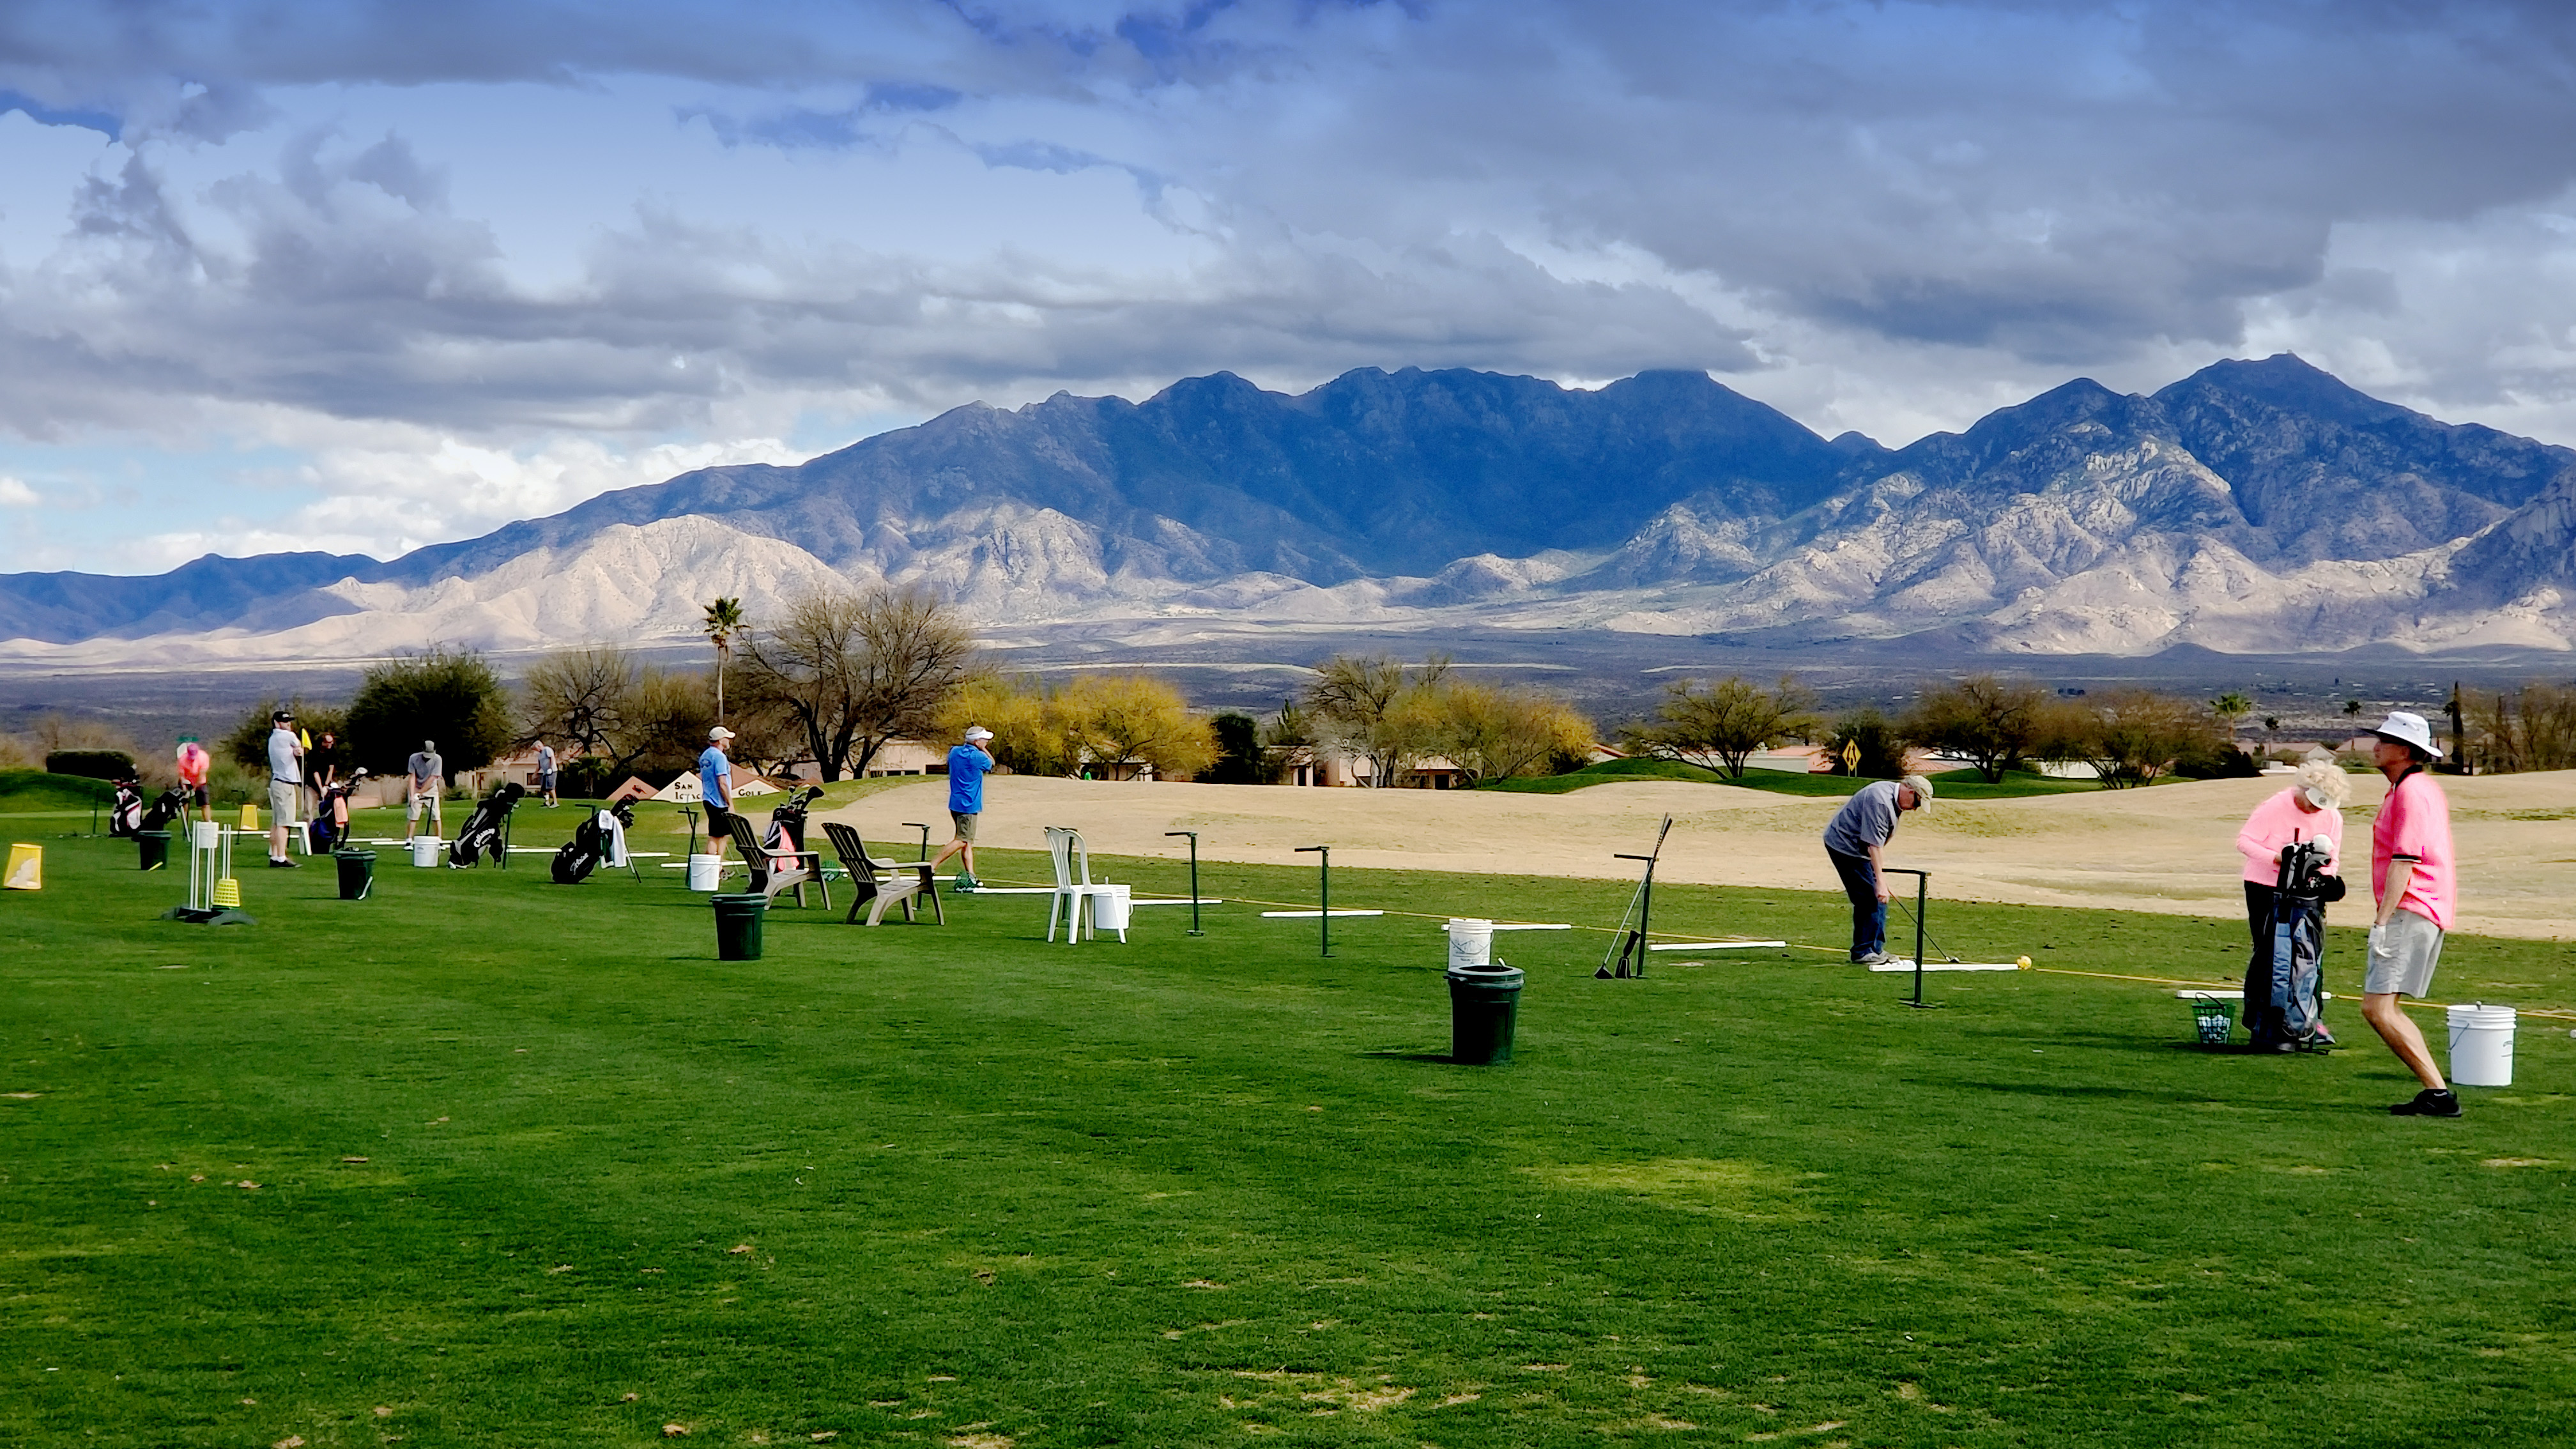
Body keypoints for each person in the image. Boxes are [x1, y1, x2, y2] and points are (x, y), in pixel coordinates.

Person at [2362, 711, 2461, 1117]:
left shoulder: (2411, 792)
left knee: (2378, 1008)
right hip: (2419, 905)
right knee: (2385, 1006)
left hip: (2412, 904)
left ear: (2405, 751)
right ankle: (2436, 1092)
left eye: (2385, 740)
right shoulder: (2411, 788)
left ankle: (2438, 1093)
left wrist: (2382, 921)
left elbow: (2405, 858)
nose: (2376, 745)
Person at [2235, 759, 2348, 1049]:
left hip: (2305, 894)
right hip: (2264, 887)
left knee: (2308, 955)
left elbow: (2331, 857)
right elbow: (2245, 842)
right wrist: (2280, 859)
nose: (2315, 810)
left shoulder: (2332, 816)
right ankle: (2266, 1019)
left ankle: (2308, 1019)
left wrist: (2325, 878)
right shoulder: (2276, 805)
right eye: (2312, 802)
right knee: (2269, 953)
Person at [1820, 773, 1935, 964]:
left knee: (1878, 897)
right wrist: (1881, 882)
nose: (1915, 809)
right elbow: (1874, 845)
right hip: (1844, 846)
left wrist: (1879, 881)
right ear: (1910, 791)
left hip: (1861, 851)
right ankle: (1863, 951)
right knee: (1870, 897)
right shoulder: (1880, 800)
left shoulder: (1894, 800)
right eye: (1917, 802)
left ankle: (1875, 949)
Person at [928, 725, 997, 891]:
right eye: (984, 739)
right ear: (977, 741)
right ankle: (931, 866)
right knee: (962, 839)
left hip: (956, 803)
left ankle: (971, 876)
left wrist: (977, 745)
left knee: (967, 842)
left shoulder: (955, 752)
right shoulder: (978, 757)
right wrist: (984, 749)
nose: (986, 741)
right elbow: (992, 764)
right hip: (969, 804)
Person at [264, 709, 303, 867]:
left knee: (276, 822)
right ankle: (281, 857)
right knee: (284, 823)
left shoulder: (273, 738)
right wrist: (297, 751)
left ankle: (275, 855)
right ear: (276, 723)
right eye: (285, 721)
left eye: (289, 721)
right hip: (285, 784)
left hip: (277, 782)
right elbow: (299, 746)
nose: (288, 724)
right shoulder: (287, 735)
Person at [699, 726, 736, 859]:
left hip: (708, 798)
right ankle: (714, 866)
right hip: (718, 802)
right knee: (716, 836)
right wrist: (729, 802)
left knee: (720, 834)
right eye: (727, 738)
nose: (729, 741)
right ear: (721, 740)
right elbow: (722, 782)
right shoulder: (719, 757)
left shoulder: (705, 756)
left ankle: (718, 866)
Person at [406, 739, 445, 839]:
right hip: (416, 788)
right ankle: (409, 839)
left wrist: (420, 793)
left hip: (431, 789)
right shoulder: (414, 758)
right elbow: (412, 777)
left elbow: (432, 778)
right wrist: (412, 794)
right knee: (413, 815)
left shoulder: (438, 759)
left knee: (435, 815)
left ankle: (438, 839)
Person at [174, 734, 213, 827]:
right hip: (186, 782)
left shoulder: (203, 757)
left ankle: (207, 822)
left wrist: (195, 789)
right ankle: (184, 824)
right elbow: (181, 776)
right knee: (185, 802)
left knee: (204, 803)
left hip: (200, 782)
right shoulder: (183, 759)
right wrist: (185, 788)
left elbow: (201, 774)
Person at [535, 739, 558, 808]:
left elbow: (552, 758)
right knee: (544, 789)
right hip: (545, 772)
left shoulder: (547, 749)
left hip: (551, 771)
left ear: (539, 746)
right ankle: (547, 802)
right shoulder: (540, 754)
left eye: (536, 748)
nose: (536, 750)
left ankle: (555, 803)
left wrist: (550, 768)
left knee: (550, 787)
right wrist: (535, 773)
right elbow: (539, 765)